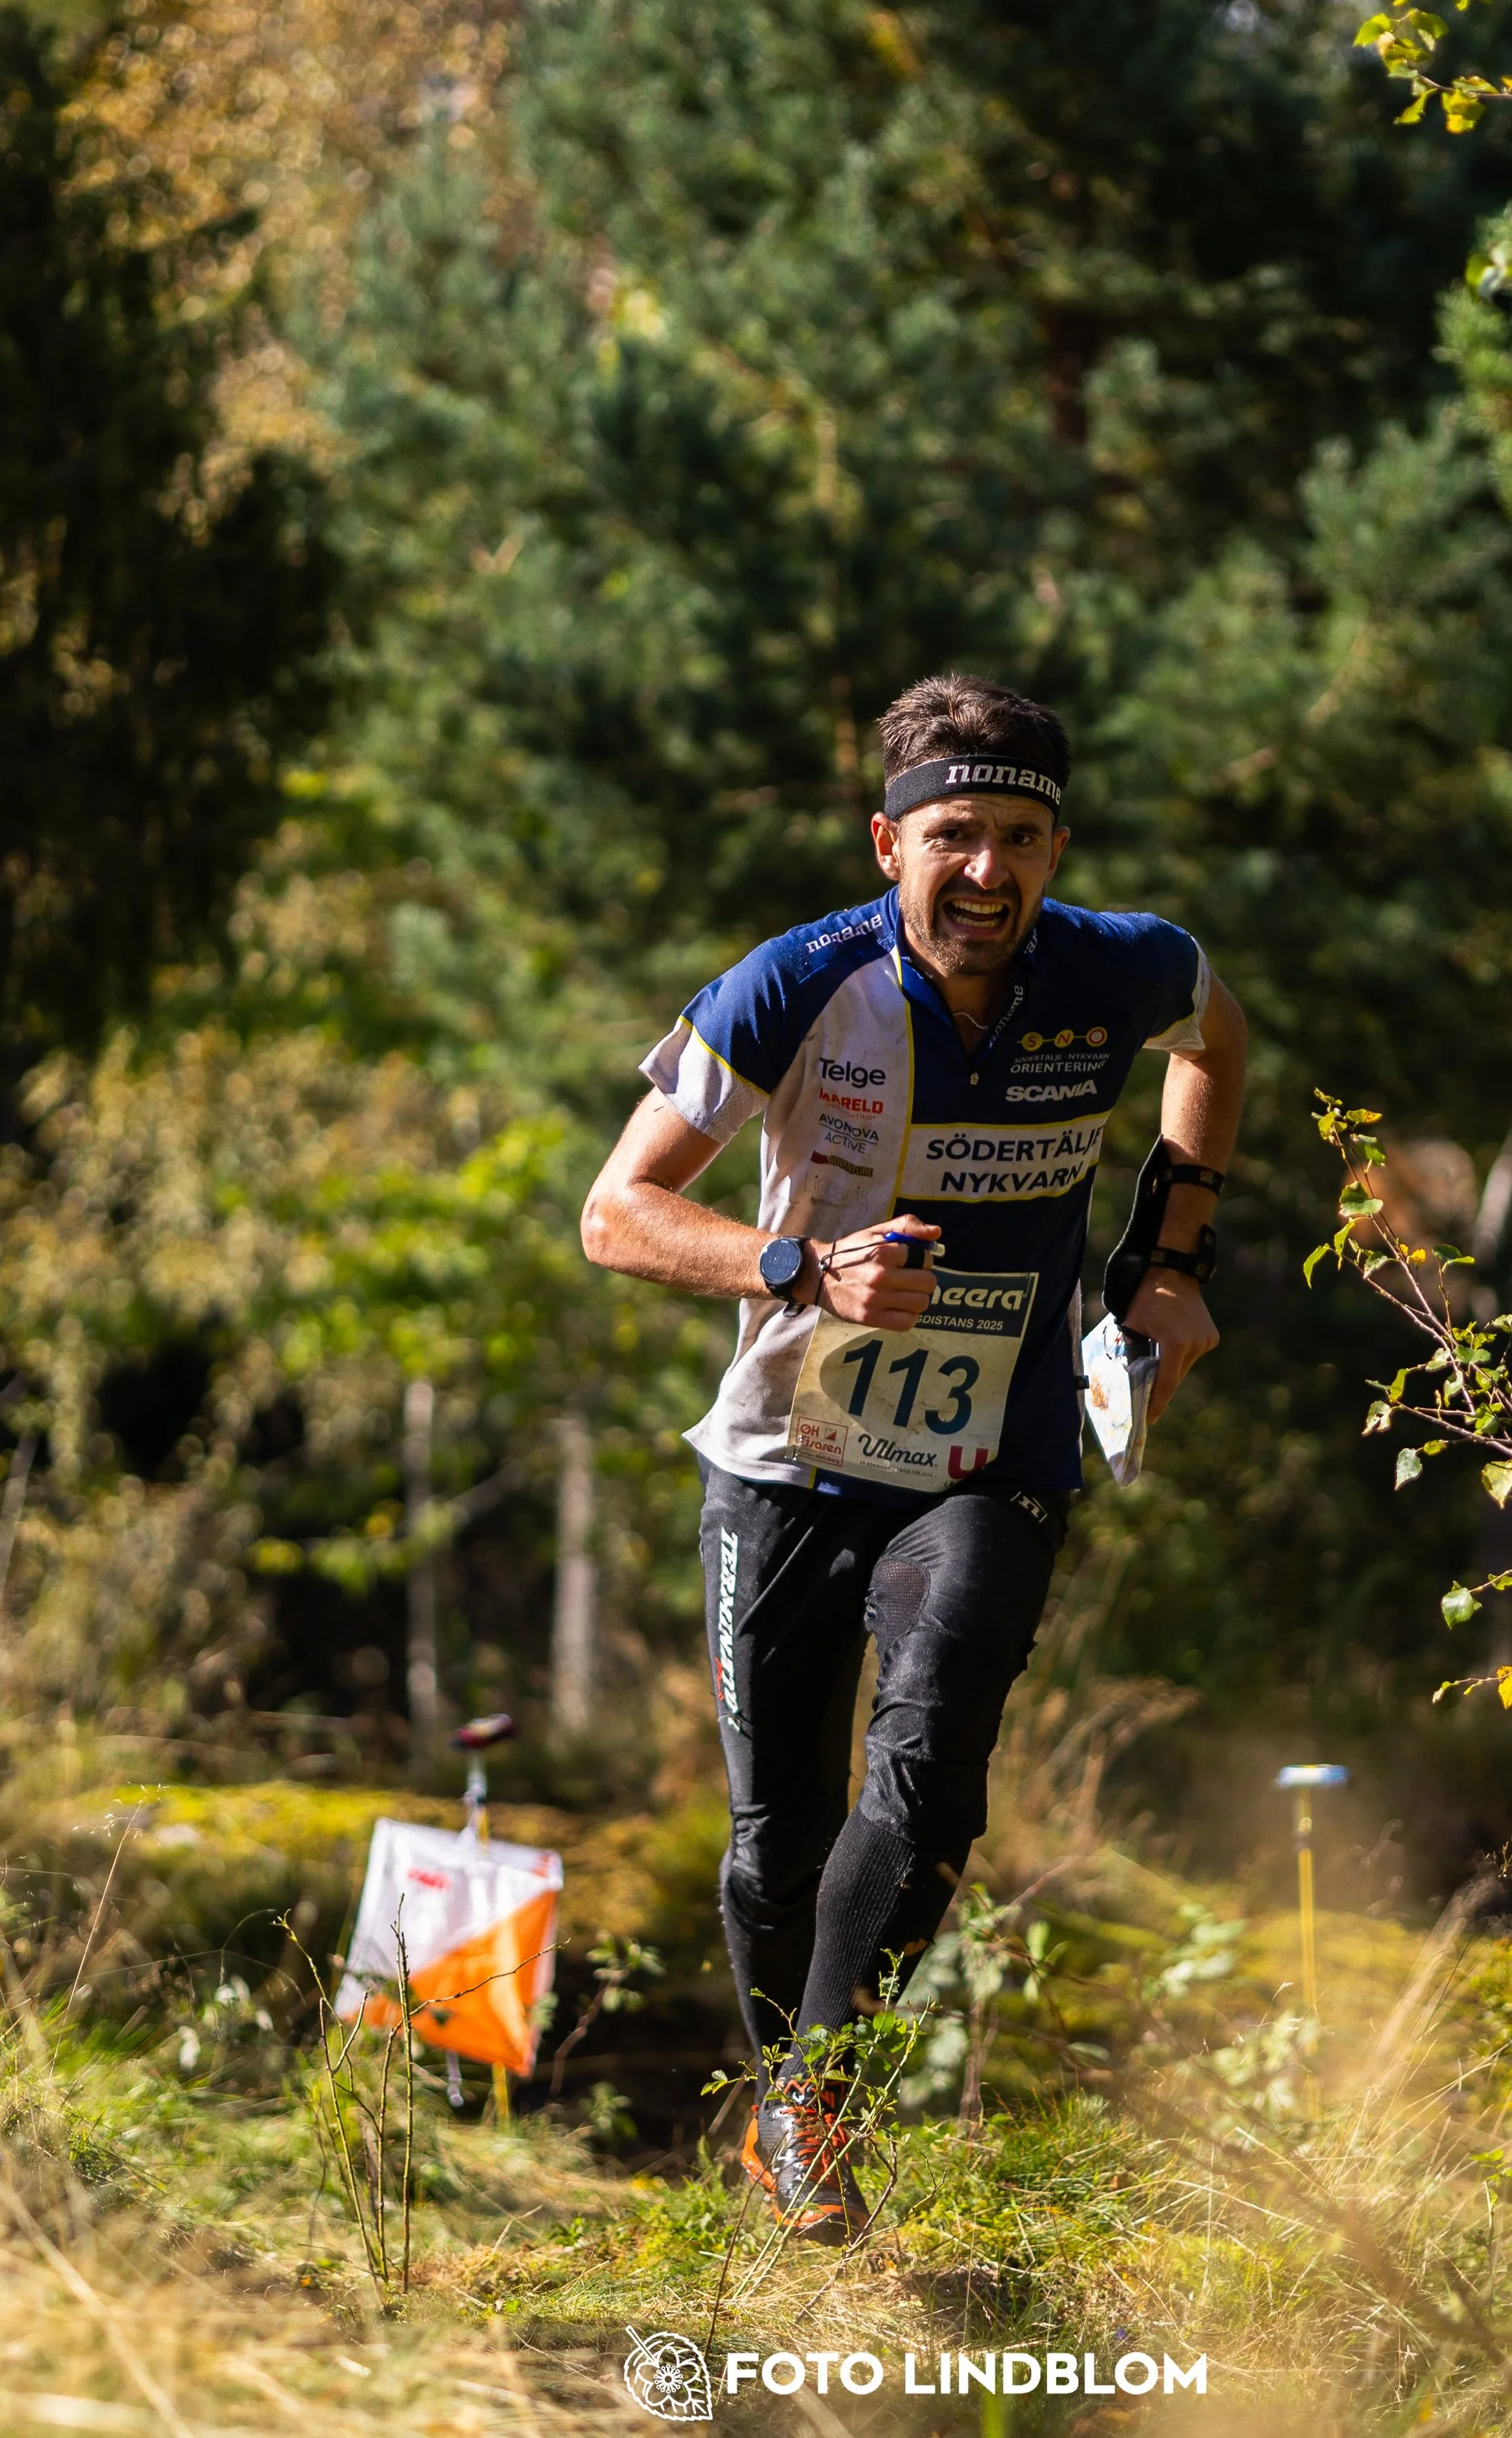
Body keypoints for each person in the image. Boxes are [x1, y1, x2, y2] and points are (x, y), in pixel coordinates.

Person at [580, 672, 1247, 2241]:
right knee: (777, 1843)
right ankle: (784, 2118)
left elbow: (1216, 1034)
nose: (987, 871)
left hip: (988, 1449)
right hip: (784, 1455)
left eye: (1020, 837)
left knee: (934, 1759)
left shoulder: (1119, 966)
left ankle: (819, 2104)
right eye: (953, 835)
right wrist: (798, 1269)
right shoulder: (793, 983)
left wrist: (1168, 1260)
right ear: (890, 844)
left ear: (1057, 848)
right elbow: (614, 1213)